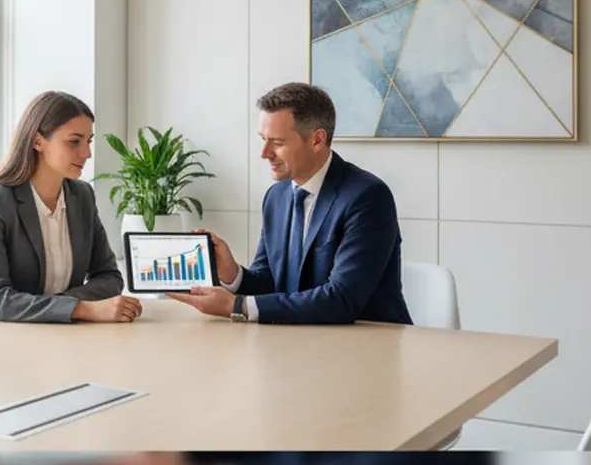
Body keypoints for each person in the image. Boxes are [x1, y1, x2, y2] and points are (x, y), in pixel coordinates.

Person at [170, 82, 412, 325]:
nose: (264, 153)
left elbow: (342, 299)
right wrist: (232, 273)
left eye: (277, 142)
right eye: (263, 139)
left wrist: (237, 306)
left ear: (317, 140)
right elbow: (271, 282)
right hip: (298, 342)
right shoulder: (277, 196)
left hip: (369, 346)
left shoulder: (367, 197)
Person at [0, 90, 142, 330]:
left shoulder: (82, 196)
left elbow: (109, 277)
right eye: (74, 141)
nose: (87, 153)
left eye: (88, 141)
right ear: (37, 141)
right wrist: (82, 308)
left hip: (52, 335)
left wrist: (57, 307)